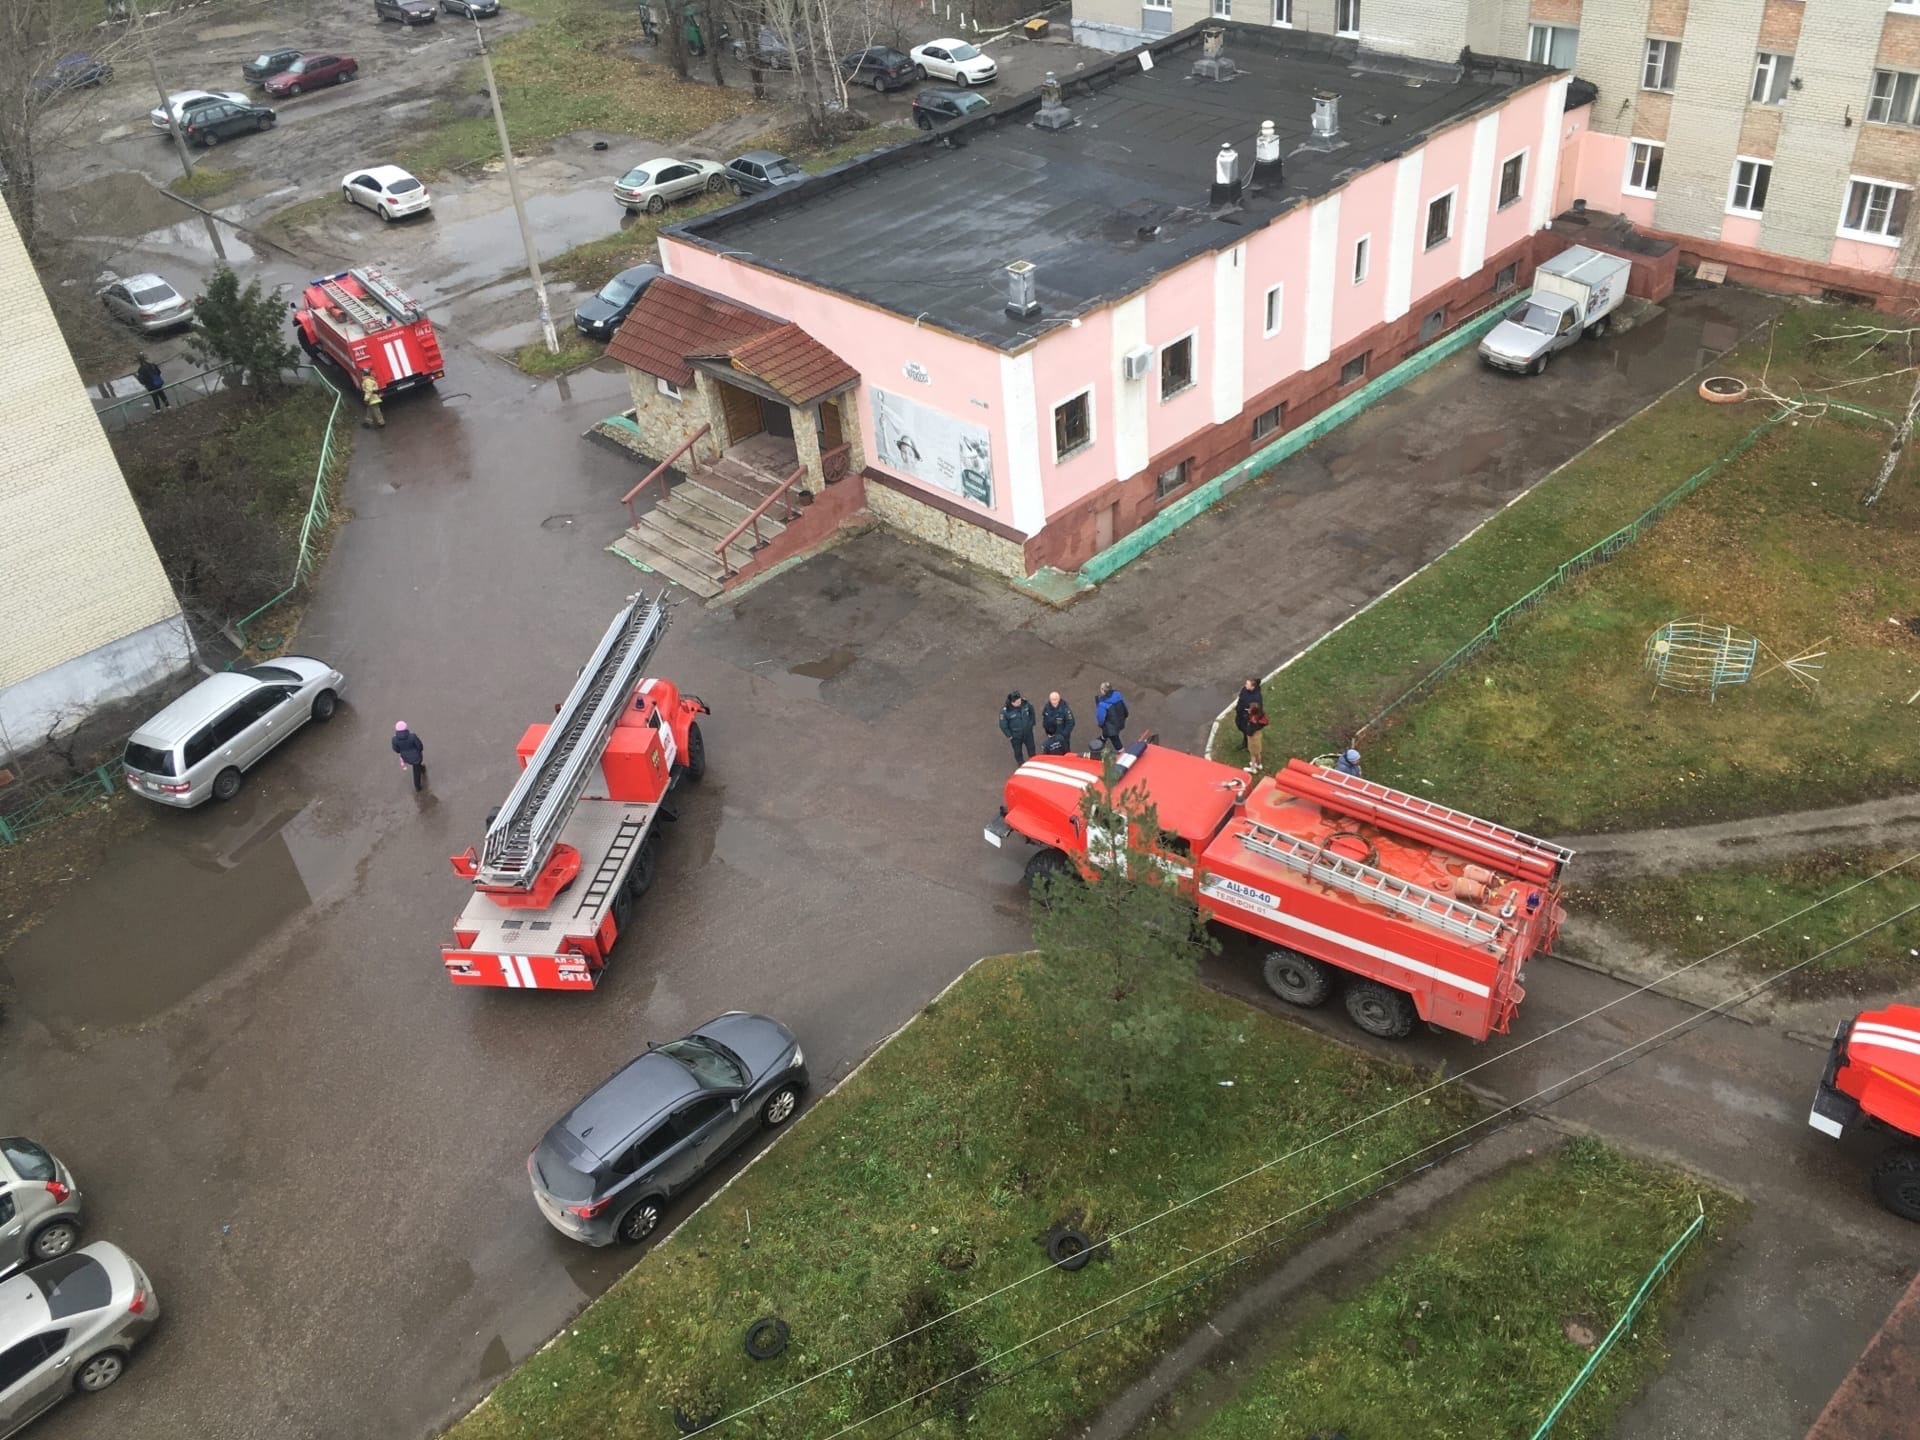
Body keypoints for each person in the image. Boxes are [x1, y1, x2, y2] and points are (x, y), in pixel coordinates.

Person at [1234, 677, 1269, 772]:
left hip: (1247, 718)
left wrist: (1247, 714)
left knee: (1251, 744)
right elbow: (1241, 699)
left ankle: (1253, 765)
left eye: (1248, 684)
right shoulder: (1245, 690)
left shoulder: (1256, 697)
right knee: (1241, 728)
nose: (1245, 685)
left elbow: (1256, 711)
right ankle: (1257, 762)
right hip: (1241, 715)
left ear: (1253, 686)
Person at [998, 690, 1037, 766]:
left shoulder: (1025, 703)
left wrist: (1031, 723)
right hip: (1016, 736)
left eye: (1019, 701)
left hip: (1028, 733)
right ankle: (1021, 763)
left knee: (1031, 747)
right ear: (1012, 702)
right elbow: (1003, 725)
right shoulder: (1005, 712)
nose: (1019, 703)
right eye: (1017, 702)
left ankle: (1034, 760)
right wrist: (1009, 735)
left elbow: (1032, 712)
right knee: (1017, 750)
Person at [1092, 682, 1128, 757]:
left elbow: (1101, 718)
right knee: (1108, 732)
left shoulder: (1102, 704)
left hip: (1111, 726)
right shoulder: (1118, 695)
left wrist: (1100, 724)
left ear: (1103, 690)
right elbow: (1125, 706)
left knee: (1115, 739)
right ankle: (1103, 738)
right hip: (1120, 720)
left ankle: (1122, 753)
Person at [392, 721, 427, 791]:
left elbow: (396, 750)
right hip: (417, 757)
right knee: (416, 772)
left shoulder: (394, 739)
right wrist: (419, 750)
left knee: (416, 766)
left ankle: (422, 768)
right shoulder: (412, 736)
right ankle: (417, 786)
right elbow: (420, 746)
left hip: (406, 758)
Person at [1041, 691, 1075, 756]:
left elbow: (1071, 723)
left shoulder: (1065, 709)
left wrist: (1063, 734)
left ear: (1059, 699)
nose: (1054, 701)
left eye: (1055, 699)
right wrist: (1046, 728)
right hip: (1051, 736)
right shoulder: (1047, 707)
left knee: (1066, 753)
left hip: (1063, 737)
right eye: (1052, 699)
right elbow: (1044, 718)